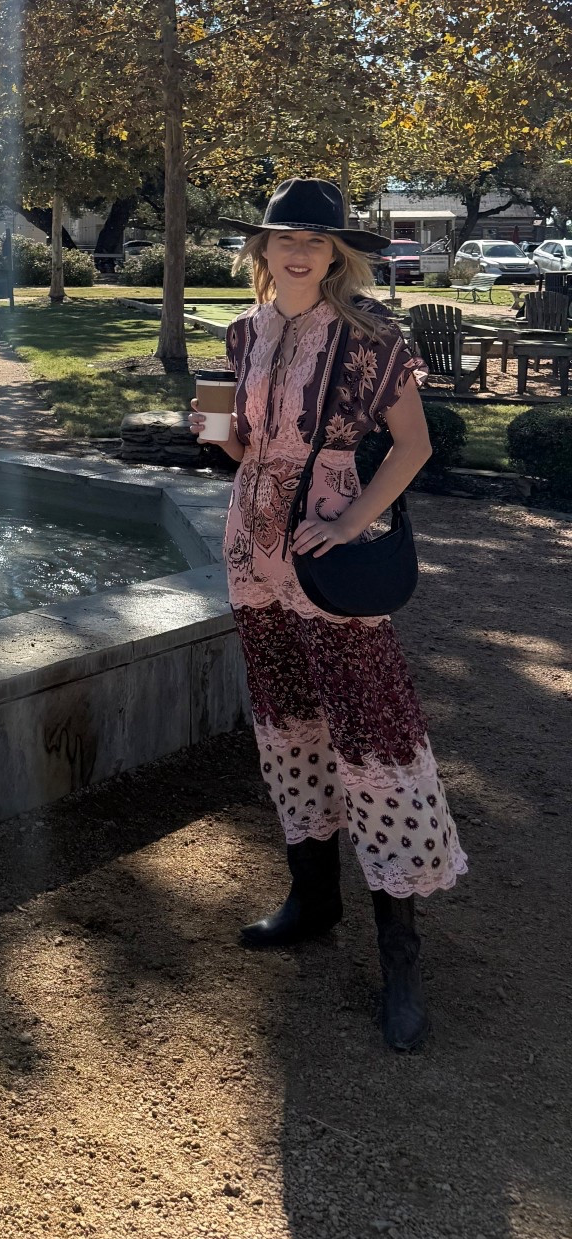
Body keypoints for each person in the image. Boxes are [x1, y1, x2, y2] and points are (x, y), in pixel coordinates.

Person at [190, 179, 467, 1051]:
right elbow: (242, 442)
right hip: (250, 552)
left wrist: (352, 519)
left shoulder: (368, 339)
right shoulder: (242, 333)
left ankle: (402, 957)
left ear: (338, 254)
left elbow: (415, 445)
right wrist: (214, 431)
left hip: (327, 558)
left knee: (372, 740)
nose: (299, 252)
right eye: (284, 240)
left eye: (316, 241)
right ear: (263, 253)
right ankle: (312, 899)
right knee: (287, 727)